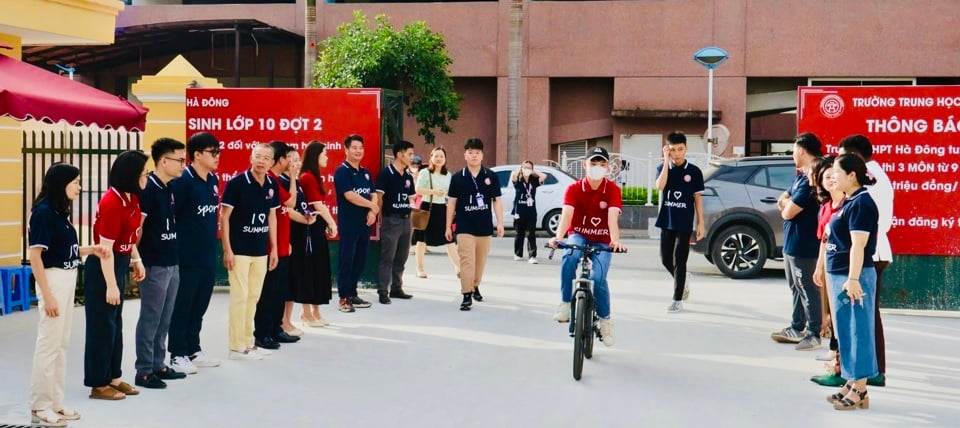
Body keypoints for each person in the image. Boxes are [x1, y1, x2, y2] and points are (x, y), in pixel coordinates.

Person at [28, 163, 106, 426]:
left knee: (61, 344)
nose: (80, 187)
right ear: (61, 183)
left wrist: (90, 249)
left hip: (66, 278)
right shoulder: (44, 213)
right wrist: (48, 296)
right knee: (49, 345)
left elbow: (64, 250)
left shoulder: (60, 213)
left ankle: (56, 401)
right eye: (75, 182)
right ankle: (40, 405)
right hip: (53, 280)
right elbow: (36, 256)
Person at [815, 154, 879, 411]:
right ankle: (852, 382)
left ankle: (861, 388)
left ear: (852, 175)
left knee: (858, 332)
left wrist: (853, 279)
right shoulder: (848, 201)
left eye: (837, 172)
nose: (833, 177)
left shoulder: (862, 203)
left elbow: (859, 245)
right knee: (846, 334)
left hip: (854, 276)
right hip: (838, 273)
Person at [84, 150, 148, 401]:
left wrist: (136, 259)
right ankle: (98, 384)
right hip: (103, 269)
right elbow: (105, 250)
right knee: (101, 328)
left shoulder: (131, 198)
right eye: (144, 173)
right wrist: (111, 285)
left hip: (119, 264)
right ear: (131, 176)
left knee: (116, 326)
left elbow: (129, 236)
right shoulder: (112, 202)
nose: (147, 176)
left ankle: (114, 377)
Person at [547, 146, 627, 346]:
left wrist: (615, 241)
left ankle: (605, 320)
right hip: (579, 235)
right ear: (585, 165)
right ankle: (565, 303)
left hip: (603, 239)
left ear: (608, 168)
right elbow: (566, 215)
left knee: (598, 278)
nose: (597, 167)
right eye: (593, 163)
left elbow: (612, 218)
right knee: (569, 256)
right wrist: (558, 237)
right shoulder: (574, 189)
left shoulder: (612, 190)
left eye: (602, 164)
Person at [837, 134, 892, 388]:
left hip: (870, 254)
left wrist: (853, 276)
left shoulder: (868, 182)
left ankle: (870, 373)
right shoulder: (873, 175)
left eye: (843, 160)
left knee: (865, 318)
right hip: (868, 253)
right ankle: (860, 372)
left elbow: (861, 236)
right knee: (863, 317)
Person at [134, 138, 188, 390]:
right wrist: (136, 260)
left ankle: (159, 364)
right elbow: (138, 228)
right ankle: (144, 370)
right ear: (163, 161)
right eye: (179, 160)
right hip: (154, 263)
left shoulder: (169, 188)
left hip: (172, 260)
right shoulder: (149, 189)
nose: (182, 165)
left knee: (165, 317)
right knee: (151, 317)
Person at [167, 132, 222, 374]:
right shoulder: (182, 181)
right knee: (183, 305)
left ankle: (192, 348)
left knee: (200, 304)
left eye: (218, 152)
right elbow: (171, 217)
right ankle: (177, 353)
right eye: (213, 152)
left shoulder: (212, 180)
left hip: (208, 254)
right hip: (186, 256)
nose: (217, 157)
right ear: (197, 154)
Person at [221, 144, 280, 360]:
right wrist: (227, 249)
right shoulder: (237, 184)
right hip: (239, 249)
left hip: (260, 250)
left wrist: (273, 248)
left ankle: (248, 341)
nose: (261, 161)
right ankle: (236, 346)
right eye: (257, 156)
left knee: (254, 296)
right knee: (240, 296)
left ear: (272, 162)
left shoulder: (271, 184)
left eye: (266, 158)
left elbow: (272, 217)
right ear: (250, 157)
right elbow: (224, 217)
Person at [253, 141, 311, 350]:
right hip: (271, 246)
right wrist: (294, 178)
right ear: (280, 159)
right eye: (288, 158)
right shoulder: (270, 180)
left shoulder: (276, 180)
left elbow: (290, 206)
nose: (292, 162)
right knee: (268, 292)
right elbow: (290, 203)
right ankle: (263, 332)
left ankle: (276, 328)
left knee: (279, 290)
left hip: (283, 244)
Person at [771, 133, 824, 351]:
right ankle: (797, 326)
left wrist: (786, 203)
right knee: (796, 287)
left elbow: (788, 212)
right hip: (792, 242)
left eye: (793, 150)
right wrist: (786, 202)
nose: (792, 155)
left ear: (801, 150)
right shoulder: (801, 176)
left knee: (807, 288)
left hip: (805, 243)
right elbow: (781, 200)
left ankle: (814, 333)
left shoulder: (812, 179)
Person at [445, 138, 505, 311]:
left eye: (477, 152)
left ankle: (475, 285)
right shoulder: (457, 178)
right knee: (467, 261)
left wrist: (500, 223)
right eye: (470, 152)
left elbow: (497, 201)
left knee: (480, 262)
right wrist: (448, 226)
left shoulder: (490, 176)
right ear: (465, 155)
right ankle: (466, 294)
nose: (474, 155)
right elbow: (451, 204)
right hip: (464, 226)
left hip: (484, 226)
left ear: (482, 155)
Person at [654, 131, 705, 313]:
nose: (677, 153)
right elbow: (660, 186)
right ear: (668, 150)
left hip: (684, 223)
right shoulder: (663, 168)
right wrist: (666, 161)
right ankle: (684, 279)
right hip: (667, 220)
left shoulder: (694, 171)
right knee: (665, 259)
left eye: (680, 149)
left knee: (680, 261)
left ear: (686, 149)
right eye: (673, 150)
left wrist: (701, 223)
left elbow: (698, 199)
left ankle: (677, 300)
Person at [808, 156, 848, 387]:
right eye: (826, 177)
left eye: (834, 174)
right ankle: (837, 360)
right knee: (834, 318)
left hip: (845, 271)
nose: (831, 179)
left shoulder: (848, 205)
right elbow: (824, 239)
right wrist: (819, 266)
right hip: (831, 268)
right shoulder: (826, 207)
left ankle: (843, 368)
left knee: (842, 320)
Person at [292, 142, 338, 326]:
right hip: (308, 229)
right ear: (315, 155)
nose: (327, 157)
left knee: (320, 269)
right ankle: (306, 313)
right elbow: (317, 205)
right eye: (324, 154)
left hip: (317, 227)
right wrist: (332, 222)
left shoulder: (314, 177)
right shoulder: (307, 177)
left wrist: (326, 223)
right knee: (309, 270)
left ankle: (316, 312)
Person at [334, 134, 378, 312]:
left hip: (365, 224)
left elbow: (373, 192)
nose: (358, 151)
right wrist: (372, 205)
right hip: (349, 223)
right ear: (346, 150)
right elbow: (350, 195)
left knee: (360, 260)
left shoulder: (365, 172)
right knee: (347, 260)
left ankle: (353, 293)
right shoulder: (342, 171)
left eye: (361, 147)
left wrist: (372, 211)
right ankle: (344, 297)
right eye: (354, 147)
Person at [375, 140, 417, 304]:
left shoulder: (407, 176)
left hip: (406, 220)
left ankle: (397, 288)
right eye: (409, 154)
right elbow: (379, 198)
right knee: (388, 256)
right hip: (391, 219)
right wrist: (380, 216)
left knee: (402, 256)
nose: (411, 157)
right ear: (399, 154)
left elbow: (411, 197)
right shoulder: (386, 174)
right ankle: (383, 290)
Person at [412, 147, 460, 278]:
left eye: (441, 157)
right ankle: (419, 269)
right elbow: (418, 190)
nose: (439, 159)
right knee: (421, 240)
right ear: (431, 157)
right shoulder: (425, 173)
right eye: (436, 156)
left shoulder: (448, 175)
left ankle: (459, 267)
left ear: (445, 159)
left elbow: (451, 193)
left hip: (442, 209)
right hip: (427, 207)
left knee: (449, 239)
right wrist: (434, 192)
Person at [510, 161, 546, 264]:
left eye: (529, 168)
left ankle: (532, 256)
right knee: (519, 233)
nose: (527, 169)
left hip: (531, 211)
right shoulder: (518, 180)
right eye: (525, 167)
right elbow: (513, 176)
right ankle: (518, 253)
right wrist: (520, 169)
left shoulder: (533, 180)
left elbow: (544, 176)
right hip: (519, 211)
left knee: (531, 233)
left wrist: (534, 171)